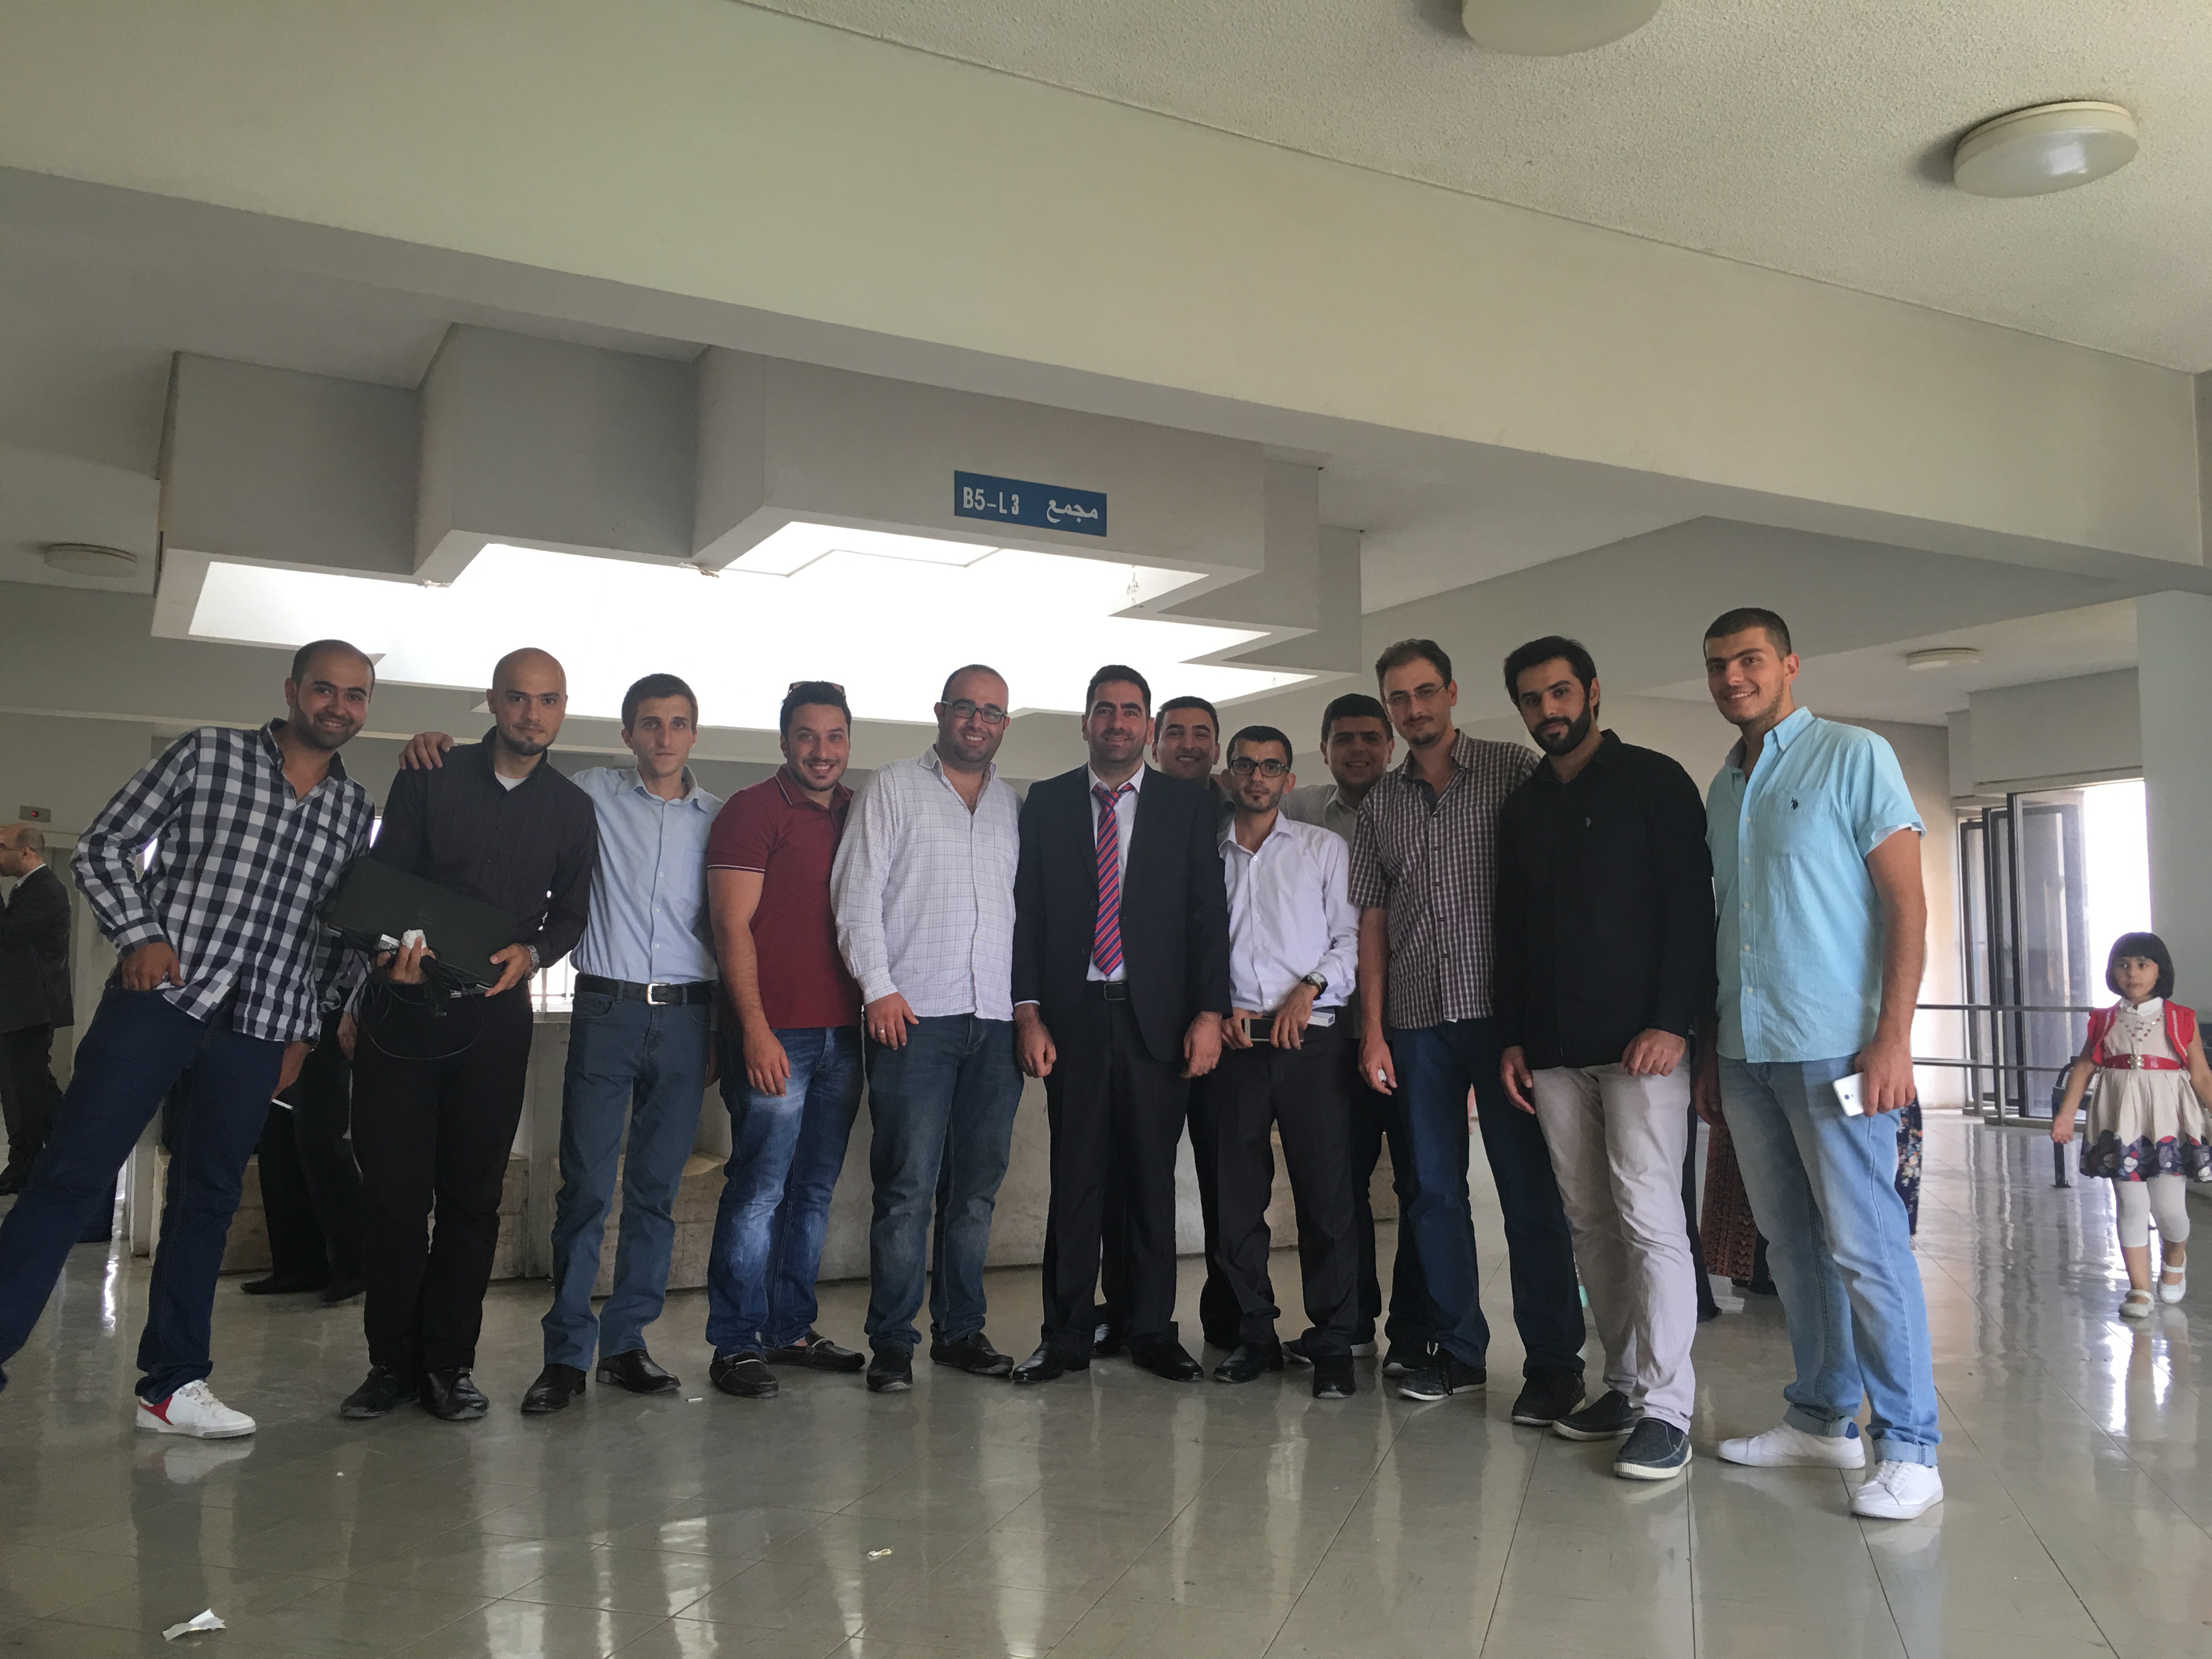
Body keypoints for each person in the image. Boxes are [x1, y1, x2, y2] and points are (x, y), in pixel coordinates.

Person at [0, 642, 377, 1437]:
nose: (338, 707)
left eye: (355, 695)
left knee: (207, 1197)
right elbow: (104, 846)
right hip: (159, 1002)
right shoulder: (208, 754)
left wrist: (308, 1026)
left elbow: (342, 934)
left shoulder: (353, 810)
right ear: (293, 691)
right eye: (325, 689)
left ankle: (172, 1386)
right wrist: (139, 934)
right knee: (71, 1175)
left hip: (261, 1026)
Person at [1691, 606, 1944, 1521]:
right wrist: (1713, 1049)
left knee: (1866, 1246)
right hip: (1746, 1048)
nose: (1733, 677)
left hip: (1837, 1044)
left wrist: (1893, 1036)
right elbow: (1725, 923)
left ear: (1789, 664)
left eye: (1749, 659)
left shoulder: (1853, 755)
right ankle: (1821, 1415)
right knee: (1789, 1243)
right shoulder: (1723, 785)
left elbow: (1906, 905)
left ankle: (1910, 1444)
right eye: (1718, 665)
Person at [341, 648, 598, 1424]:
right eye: (517, 698)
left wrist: (535, 954)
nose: (531, 714)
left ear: (562, 709)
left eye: (547, 701)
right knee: (392, 1199)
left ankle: (449, 1366)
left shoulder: (571, 809)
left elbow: (572, 914)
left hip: (494, 1019)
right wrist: (386, 959)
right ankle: (390, 1365)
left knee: (473, 1201)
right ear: (492, 701)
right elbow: (383, 883)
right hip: (401, 1010)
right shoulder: (430, 773)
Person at [1494, 636, 1713, 1480]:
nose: (1547, 710)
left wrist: (1673, 1022)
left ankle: (1667, 1407)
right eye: (1531, 699)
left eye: (1559, 693)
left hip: (1641, 1047)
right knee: (1589, 1221)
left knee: (1649, 1217)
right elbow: (1514, 931)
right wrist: (1514, 1036)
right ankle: (1622, 1385)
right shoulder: (1524, 807)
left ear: (1591, 692)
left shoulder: (1655, 782)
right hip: (1552, 1049)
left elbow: (1690, 910)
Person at [1350, 639, 1584, 1424]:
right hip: (1416, 1025)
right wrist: (1373, 1032)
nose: (1413, 708)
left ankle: (1554, 1363)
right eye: (1398, 697)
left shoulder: (1513, 770)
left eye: (1424, 692)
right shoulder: (1379, 806)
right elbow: (1372, 924)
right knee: (1433, 1194)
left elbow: (1550, 893)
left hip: (1501, 1020)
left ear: (1451, 692)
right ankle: (1459, 1350)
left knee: (1528, 1194)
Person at [1009, 664, 1231, 1384]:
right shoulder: (1047, 802)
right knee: (1076, 1179)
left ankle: (1150, 1329)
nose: (1117, 723)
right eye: (1104, 710)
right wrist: (1028, 1011)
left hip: (1157, 1019)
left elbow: (1207, 917)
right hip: (1071, 1018)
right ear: (1085, 722)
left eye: (1131, 711)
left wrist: (1209, 1013)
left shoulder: (1186, 806)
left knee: (1150, 1181)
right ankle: (1067, 1333)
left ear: (1148, 727)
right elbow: (1028, 914)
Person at [831, 665, 1025, 1393]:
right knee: (907, 1188)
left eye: (992, 712)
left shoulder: (1010, 806)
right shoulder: (891, 788)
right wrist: (877, 989)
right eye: (966, 708)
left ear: (1005, 725)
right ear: (942, 713)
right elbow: (855, 894)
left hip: (995, 1023)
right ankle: (892, 1341)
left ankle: (961, 1331)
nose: (978, 722)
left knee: (975, 1190)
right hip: (913, 1020)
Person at [703, 681, 867, 1401]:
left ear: (849, 742)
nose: (821, 751)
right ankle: (735, 1343)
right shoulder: (751, 811)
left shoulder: (860, 813)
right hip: (777, 1035)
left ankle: (791, 1330)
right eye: (807, 735)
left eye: (834, 736)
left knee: (813, 1191)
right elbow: (729, 926)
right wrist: (754, 1029)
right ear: (783, 741)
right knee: (758, 1191)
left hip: (846, 1035)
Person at [1203, 725, 1362, 1398]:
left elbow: (1351, 941)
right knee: (1237, 1201)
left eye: (1271, 767)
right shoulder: (1206, 855)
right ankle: (1254, 1336)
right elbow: (1193, 946)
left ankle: (1334, 1344)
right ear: (1228, 776)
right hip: (1235, 1047)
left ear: (1289, 780)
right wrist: (1215, 1007)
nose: (1258, 777)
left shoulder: (1324, 850)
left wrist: (1311, 987)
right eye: (1246, 765)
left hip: (1311, 1043)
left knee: (1326, 1200)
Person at [1282, 691, 1396, 1361]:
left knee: (1420, 1185)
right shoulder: (1297, 811)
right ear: (1323, 749)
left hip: (1403, 1028)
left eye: (1370, 737)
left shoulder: (1410, 806)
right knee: (1337, 1186)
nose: (1357, 749)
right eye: (1344, 738)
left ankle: (1420, 1334)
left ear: (1390, 745)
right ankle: (1349, 1325)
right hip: (1328, 1035)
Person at [1137, 692, 1235, 1352]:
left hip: (1226, 1028)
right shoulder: (1129, 809)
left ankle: (1228, 1319)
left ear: (1217, 746)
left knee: (1225, 1179)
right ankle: (1136, 1312)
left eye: (1202, 733)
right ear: (1155, 741)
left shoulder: (1244, 806)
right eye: (1176, 733)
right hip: (1148, 1027)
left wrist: (1213, 1010)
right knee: (1140, 1174)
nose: (1189, 744)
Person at [2052, 932, 2211, 1317]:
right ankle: (2139, 1288)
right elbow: (2085, 1068)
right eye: (2123, 965)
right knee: (2131, 1202)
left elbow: (2201, 1075)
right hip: (2120, 1118)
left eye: (2142, 965)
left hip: (2167, 1119)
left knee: (2170, 1209)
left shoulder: (2180, 1018)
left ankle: (2175, 1256)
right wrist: (2067, 1114)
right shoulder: (2105, 1020)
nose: (2132, 973)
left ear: (2160, 971)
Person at [242, 1014, 365, 1304]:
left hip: (328, 1010)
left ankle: (357, 1264)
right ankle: (299, 1266)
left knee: (321, 1135)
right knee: (278, 1139)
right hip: (284, 1012)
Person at [0, 824, 72, 1194]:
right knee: (28, 1089)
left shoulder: (46, 889)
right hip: (20, 1007)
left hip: (31, 1008)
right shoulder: (27, 888)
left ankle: (32, 1165)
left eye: (1, 847)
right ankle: (61, 1157)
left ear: (26, 851)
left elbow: (8, 935)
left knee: (27, 1092)